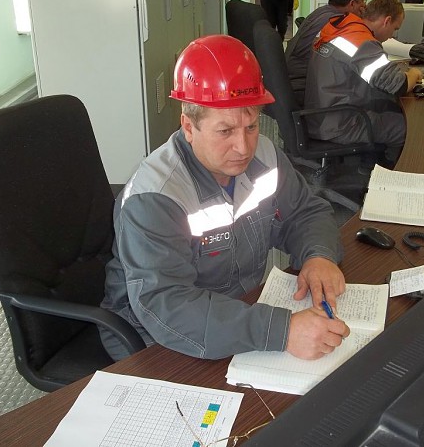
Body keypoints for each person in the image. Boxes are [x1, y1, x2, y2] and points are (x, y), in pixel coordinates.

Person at [99, 35, 350, 362]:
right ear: (189, 127)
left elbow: (305, 212)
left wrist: (318, 255)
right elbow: (167, 304)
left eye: (251, 126)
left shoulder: (265, 156)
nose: (243, 148)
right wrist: (281, 331)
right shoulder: (155, 196)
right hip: (154, 336)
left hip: (235, 313)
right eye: (225, 131)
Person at [304, 0, 424, 169]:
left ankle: (369, 162)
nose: (393, 35)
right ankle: (389, 173)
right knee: (408, 129)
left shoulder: (344, 26)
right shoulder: (361, 41)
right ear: (386, 21)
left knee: (388, 106)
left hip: (319, 113)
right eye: (395, 29)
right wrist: (413, 73)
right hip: (339, 123)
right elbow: (398, 85)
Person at [285, 0, 367, 106]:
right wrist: (365, 22)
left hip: (290, 82)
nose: (364, 5)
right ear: (352, 4)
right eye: (362, 1)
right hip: (303, 91)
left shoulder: (322, 12)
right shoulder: (337, 22)